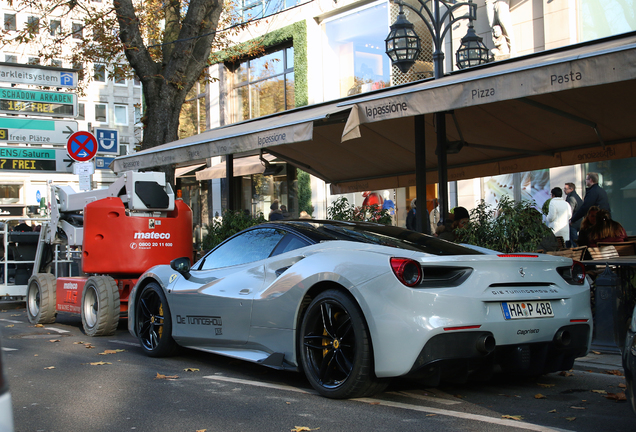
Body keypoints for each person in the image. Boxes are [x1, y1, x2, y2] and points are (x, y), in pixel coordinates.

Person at [564, 182, 583, 247]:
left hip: (573, 223)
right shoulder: (577, 197)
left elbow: (570, 211)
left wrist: (570, 220)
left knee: (573, 241)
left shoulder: (571, 198)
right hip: (578, 221)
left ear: (571, 189)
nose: (564, 190)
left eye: (566, 189)